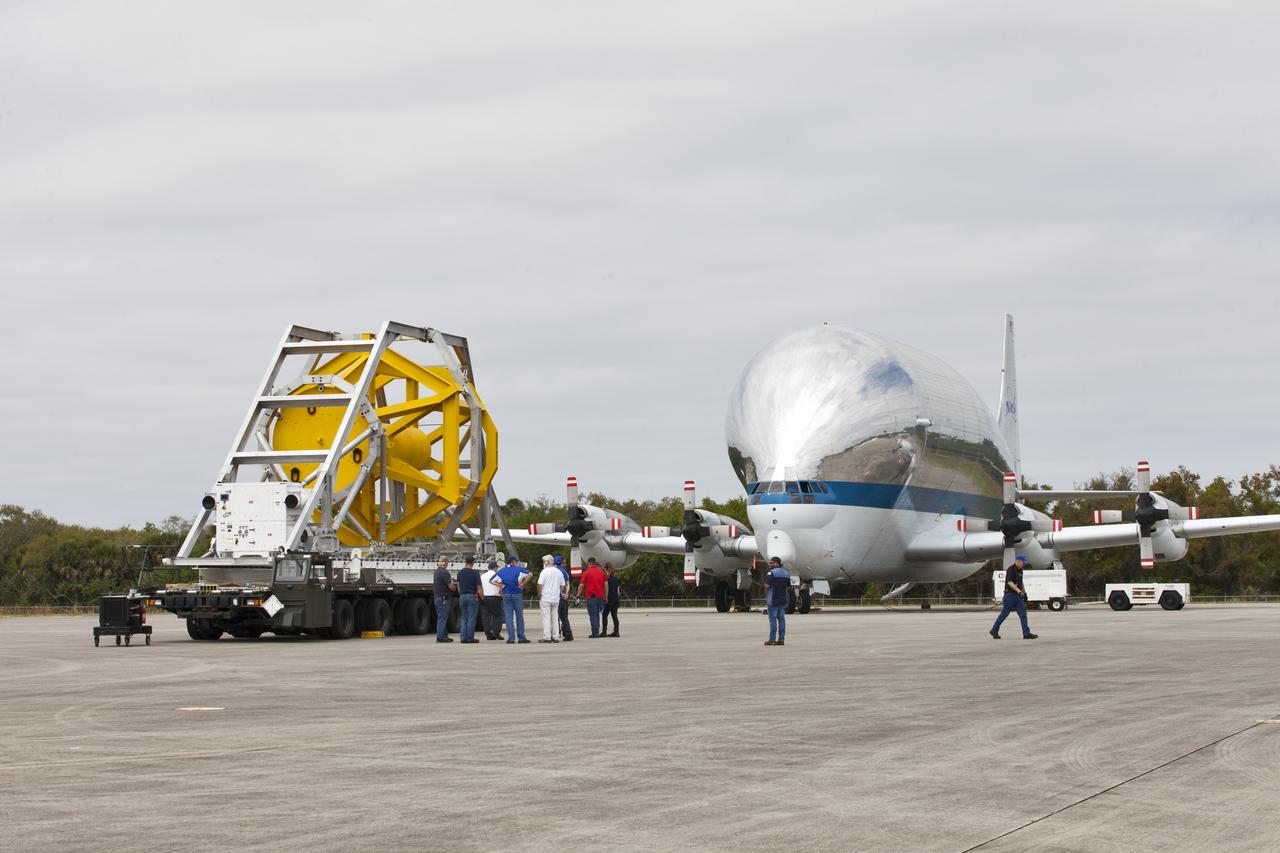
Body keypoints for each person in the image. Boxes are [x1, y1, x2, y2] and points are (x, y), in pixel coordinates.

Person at [991, 555, 1038, 639]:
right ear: (1018, 561)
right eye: (1023, 563)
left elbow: (1020, 582)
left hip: (1018, 596)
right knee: (1004, 614)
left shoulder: (1020, 570)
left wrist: (1024, 592)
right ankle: (994, 630)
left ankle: (1026, 633)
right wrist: (1019, 591)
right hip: (1010, 595)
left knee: (1023, 614)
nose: (1023, 564)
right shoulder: (1011, 569)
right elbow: (1010, 582)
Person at [491, 555, 531, 644]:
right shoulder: (519, 569)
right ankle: (521, 637)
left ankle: (511, 638)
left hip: (506, 594)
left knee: (509, 617)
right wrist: (523, 584)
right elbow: (530, 574)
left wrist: (501, 585)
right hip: (517, 594)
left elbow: (491, 580)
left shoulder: (502, 571)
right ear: (513, 562)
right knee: (519, 616)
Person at [536, 555, 567, 643]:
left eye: (545, 561)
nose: (544, 563)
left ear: (549, 562)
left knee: (546, 618)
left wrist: (539, 594)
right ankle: (556, 636)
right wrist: (557, 591)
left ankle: (547, 637)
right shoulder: (559, 572)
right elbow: (563, 585)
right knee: (555, 617)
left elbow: (539, 584)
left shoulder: (544, 572)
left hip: (545, 597)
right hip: (555, 598)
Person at [576, 557, 608, 637]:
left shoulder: (586, 573)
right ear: (595, 563)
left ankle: (595, 632)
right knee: (597, 614)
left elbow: (581, 585)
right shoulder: (602, 573)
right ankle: (597, 630)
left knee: (593, 615)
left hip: (591, 597)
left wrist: (578, 596)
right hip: (600, 597)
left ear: (588, 563)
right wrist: (606, 596)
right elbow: (606, 585)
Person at [763, 556, 790, 646]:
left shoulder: (771, 573)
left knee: (773, 620)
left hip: (773, 600)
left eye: (771, 563)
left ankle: (772, 639)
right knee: (782, 620)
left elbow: (767, 585)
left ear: (776, 563)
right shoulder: (786, 573)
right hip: (783, 600)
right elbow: (788, 587)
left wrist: (766, 585)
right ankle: (781, 639)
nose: (769, 564)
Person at [455, 556, 482, 644]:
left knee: (464, 618)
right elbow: (479, 587)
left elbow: (458, 586)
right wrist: (482, 597)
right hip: (472, 596)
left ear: (466, 562)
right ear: (472, 563)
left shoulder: (460, 573)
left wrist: (461, 594)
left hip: (462, 596)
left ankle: (463, 637)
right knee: (471, 618)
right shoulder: (475, 574)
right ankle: (470, 637)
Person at [479, 560, 505, 640]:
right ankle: (496, 633)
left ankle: (488, 634)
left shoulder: (482, 576)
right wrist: (501, 595)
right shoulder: (497, 575)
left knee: (486, 617)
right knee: (498, 615)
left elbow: (480, 587)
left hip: (484, 597)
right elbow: (501, 585)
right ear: (495, 567)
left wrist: (482, 597)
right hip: (494, 597)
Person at [433, 558, 457, 643]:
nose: (447, 564)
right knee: (442, 617)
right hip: (444, 598)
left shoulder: (436, 572)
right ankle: (440, 637)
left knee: (441, 616)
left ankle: (444, 634)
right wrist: (455, 587)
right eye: (447, 563)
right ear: (445, 563)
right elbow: (450, 586)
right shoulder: (445, 572)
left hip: (437, 597)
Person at [554, 555, 575, 641]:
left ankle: (556, 633)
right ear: (561, 563)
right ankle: (568, 634)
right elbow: (567, 584)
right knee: (564, 617)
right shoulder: (564, 572)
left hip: (556, 597)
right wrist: (566, 594)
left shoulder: (553, 571)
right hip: (564, 597)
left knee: (556, 617)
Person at [602, 562, 621, 637]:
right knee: (614, 615)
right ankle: (616, 631)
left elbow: (605, 589)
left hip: (609, 599)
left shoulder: (606, 579)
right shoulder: (616, 579)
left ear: (605, 569)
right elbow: (618, 590)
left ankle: (604, 632)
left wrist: (605, 598)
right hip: (616, 599)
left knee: (604, 615)